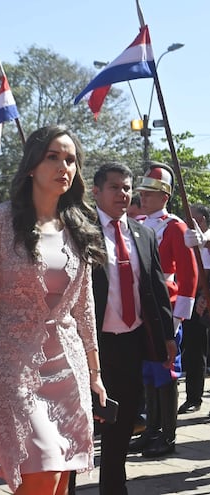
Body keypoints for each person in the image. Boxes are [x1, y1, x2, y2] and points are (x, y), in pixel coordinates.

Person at [0, 125, 107, 495]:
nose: (63, 166)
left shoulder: (78, 227)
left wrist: (96, 373)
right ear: (30, 167)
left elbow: (83, 307)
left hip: (67, 368)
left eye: (70, 159)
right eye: (52, 157)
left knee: (57, 480)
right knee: (42, 472)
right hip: (10, 363)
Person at [91, 162, 175, 495]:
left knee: (123, 422)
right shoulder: (79, 231)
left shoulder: (143, 233)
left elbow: (156, 288)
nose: (123, 194)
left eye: (127, 188)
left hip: (130, 342)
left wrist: (167, 335)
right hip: (91, 345)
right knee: (81, 425)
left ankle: (114, 486)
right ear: (96, 191)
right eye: (114, 187)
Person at [129, 162, 198, 458]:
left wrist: (179, 317)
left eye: (149, 193)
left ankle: (167, 436)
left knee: (165, 373)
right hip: (141, 309)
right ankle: (151, 430)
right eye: (142, 193)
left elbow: (189, 275)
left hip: (166, 308)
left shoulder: (175, 226)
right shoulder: (141, 223)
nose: (143, 197)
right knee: (147, 373)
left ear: (165, 196)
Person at [178, 203, 210, 414]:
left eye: (194, 221)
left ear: (203, 221)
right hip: (191, 299)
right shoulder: (185, 238)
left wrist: (204, 296)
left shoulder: (206, 238)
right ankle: (193, 398)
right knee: (192, 351)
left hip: (204, 299)